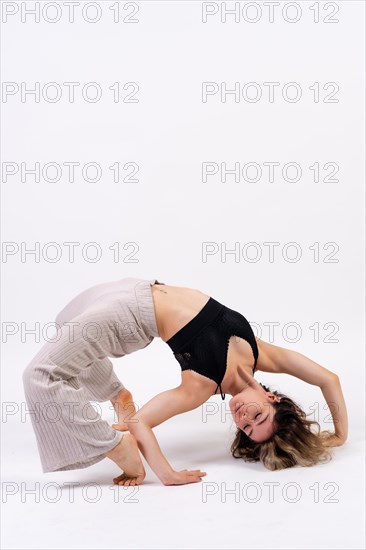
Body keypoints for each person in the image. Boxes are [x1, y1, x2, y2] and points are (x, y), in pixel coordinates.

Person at [22, 277, 348, 487]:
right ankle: (117, 394)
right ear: (273, 399)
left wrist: (167, 474)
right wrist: (340, 435)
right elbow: (328, 379)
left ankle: (115, 446)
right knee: (60, 336)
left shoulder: (202, 385)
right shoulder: (262, 354)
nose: (243, 417)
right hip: (131, 290)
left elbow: (140, 422)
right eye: (257, 416)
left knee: (39, 375)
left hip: (125, 317)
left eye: (246, 428)